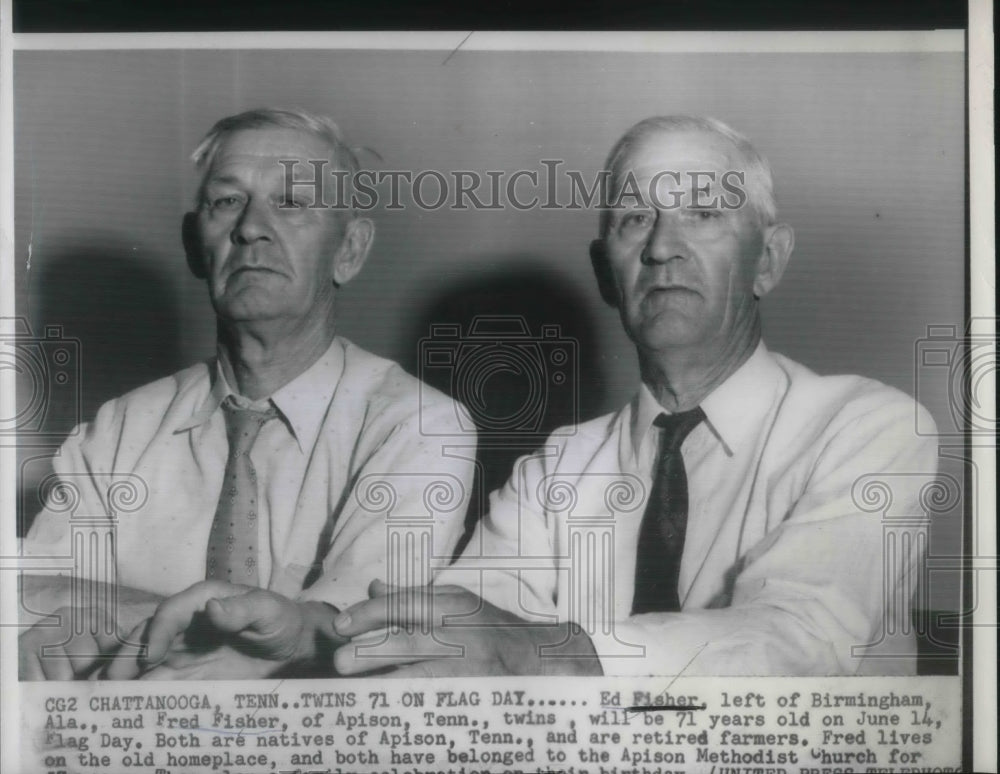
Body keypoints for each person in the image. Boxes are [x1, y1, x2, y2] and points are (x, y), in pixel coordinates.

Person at [117, 115, 939, 678]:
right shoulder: (558, 467)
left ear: (769, 260)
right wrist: (311, 631)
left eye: (703, 216)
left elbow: (798, 637)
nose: (661, 248)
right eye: (630, 221)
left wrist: (549, 652)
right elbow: (463, 628)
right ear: (603, 274)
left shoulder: (868, 426)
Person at [18, 108, 474, 680]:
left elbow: (347, 635)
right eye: (227, 202)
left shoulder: (419, 424)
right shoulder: (118, 430)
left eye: (291, 202)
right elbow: (23, 593)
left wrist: (116, 617)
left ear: (350, 250)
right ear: (194, 244)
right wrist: (190, 626)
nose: (252, 227)